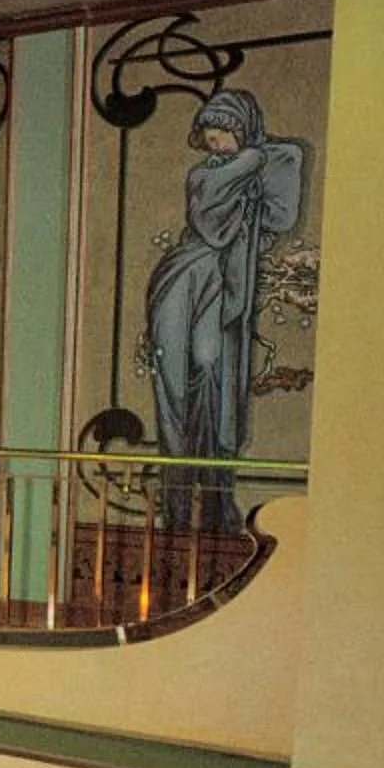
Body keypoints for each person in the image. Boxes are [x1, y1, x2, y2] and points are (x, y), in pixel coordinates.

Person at [144, 87, 307, 534]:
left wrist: (255, 158)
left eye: (225, 133)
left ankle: (213, 494)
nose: (216, 143)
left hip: (223, 286)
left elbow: (284, 190)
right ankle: (181, 496)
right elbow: (213, 228)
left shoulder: (248, 171)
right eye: (211, 134)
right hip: (187, 278)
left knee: (212, 368)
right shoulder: (204, 176)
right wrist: (253, 154)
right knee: (181, 380)